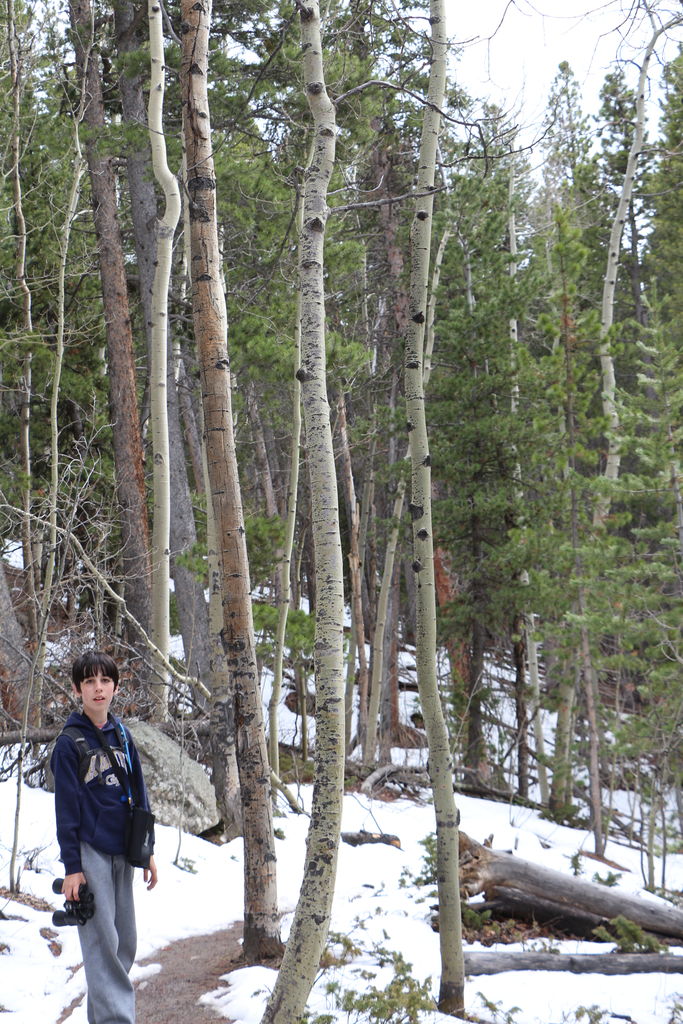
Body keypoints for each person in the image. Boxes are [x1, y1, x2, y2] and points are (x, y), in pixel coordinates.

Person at [51, 650, 158, 1024]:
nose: (98, 689)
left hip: (122, 851)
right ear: (78, 689)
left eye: (105, 681)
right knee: (102, 947)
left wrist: (147, 851)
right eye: (90, 682)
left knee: (123, 944)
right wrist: (72, 868)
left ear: (115, 686)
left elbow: (139, 793)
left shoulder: (123, 736)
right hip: (90, 852)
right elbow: (65, 811)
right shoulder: (68, 744)